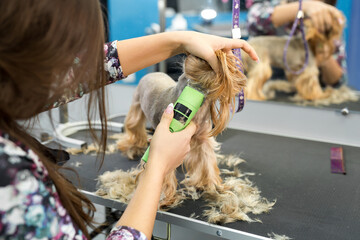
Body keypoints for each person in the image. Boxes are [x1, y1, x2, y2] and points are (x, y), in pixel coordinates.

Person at [0, 1, 259, 239]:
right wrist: (156, 167)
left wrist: (182, 40)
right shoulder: (10, 178)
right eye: (66, 51)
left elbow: (81, 71)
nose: (71, 65)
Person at [246, 0, 346, 87]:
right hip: (262, 85)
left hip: (306, 98)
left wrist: (323, 52)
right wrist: (304, 6)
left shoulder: (330, 22)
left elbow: (337, 82)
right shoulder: (277, 4)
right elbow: (254, 20)